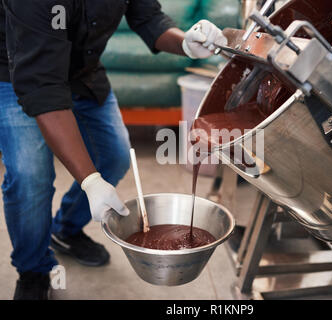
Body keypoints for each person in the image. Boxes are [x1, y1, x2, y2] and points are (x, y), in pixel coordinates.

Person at [0, 0, 227, 300]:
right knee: (31, 177)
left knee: (114, 156)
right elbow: (43, 88)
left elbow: (148, 17)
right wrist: (90, 182)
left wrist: (185, 42)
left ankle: (65, 230)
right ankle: (34, 271)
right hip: (19, 73)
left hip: (83, 72)